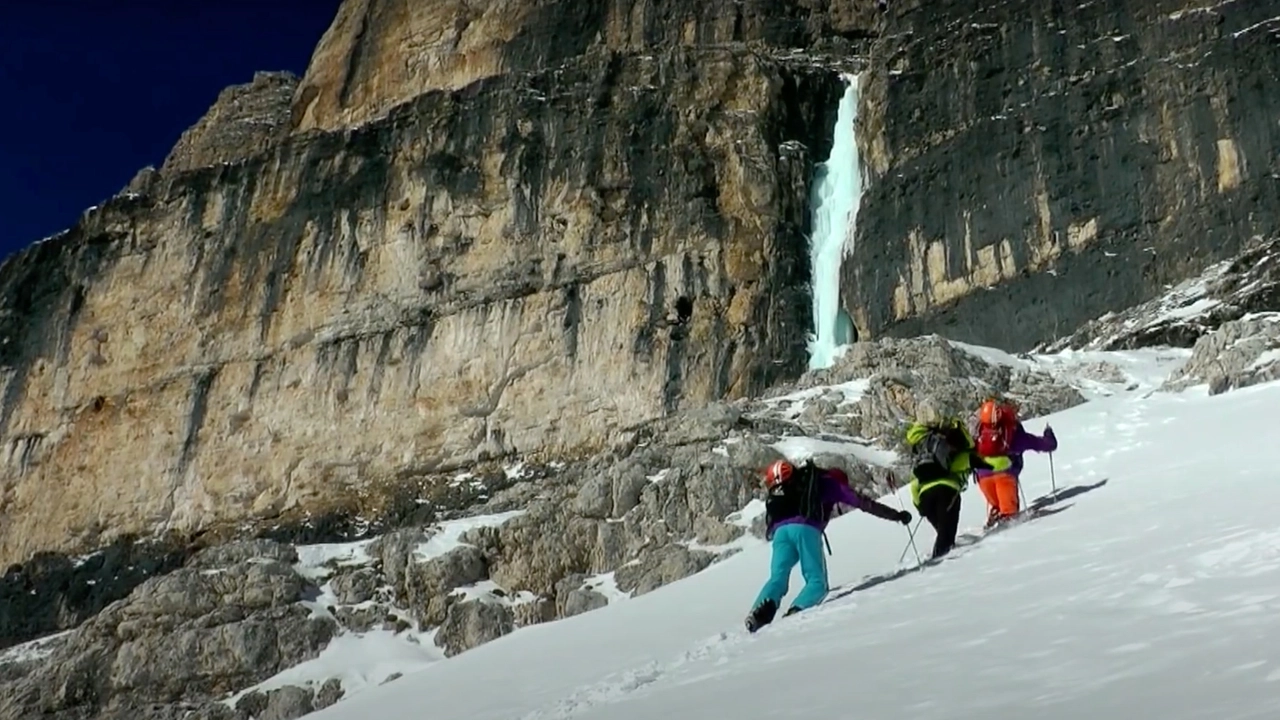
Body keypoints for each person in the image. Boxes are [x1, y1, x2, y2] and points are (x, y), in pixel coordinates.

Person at [745, 459, 911, 633]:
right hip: (805, 528)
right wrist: (897, 516)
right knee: (816, 581)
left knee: (777, 578)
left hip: (779, 533)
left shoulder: (797, 483)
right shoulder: (831, 483)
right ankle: (797, 610)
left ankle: (756, 613)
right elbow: (864, 504)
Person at [904, 416, 1002, 560]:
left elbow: (913, 486)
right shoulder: (960, 457)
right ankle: (938, 569)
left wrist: (920, 507)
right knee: (946, 536)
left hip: (925, 497)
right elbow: (987, 464)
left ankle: (939, 561)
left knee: (943, 534)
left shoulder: (923, 458)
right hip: (947, 492)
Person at [970, 398, 1058, 527]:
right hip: (1005, 475)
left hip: (983, 477)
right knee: (1010, 517)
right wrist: (1049, 437)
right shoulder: (1010, 432)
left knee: (997, 505)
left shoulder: (978, 433)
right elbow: (1040, 443)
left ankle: (995, 515)